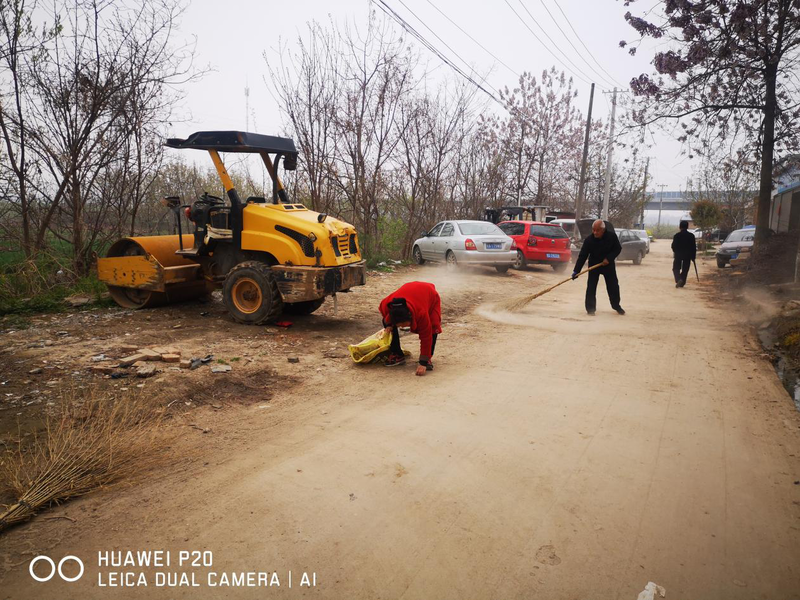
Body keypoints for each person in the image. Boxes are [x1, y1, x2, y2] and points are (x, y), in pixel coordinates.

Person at [379, 281, 442, 376]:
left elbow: (426, 337)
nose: (402, 327)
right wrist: (389, 325)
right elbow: (386, 317)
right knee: (387, 325)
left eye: (404, 324)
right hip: (410, 291)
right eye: (399, 325)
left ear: (411, 317)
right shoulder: (386, 305)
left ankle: (428, 358)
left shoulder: (421, 313)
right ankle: (397, 354)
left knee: (433, 326)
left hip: (429, 293)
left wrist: (423, 363)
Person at [572, 219, 625, 315]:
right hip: (594, 265)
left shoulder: (611, 237)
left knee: (613, 286)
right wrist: (576, 271)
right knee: (591, 287)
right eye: (593, 230)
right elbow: (583, 255)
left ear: (603, 230)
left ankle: (616, 306)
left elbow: (618, 248)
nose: (595, 232)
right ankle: (590, 309)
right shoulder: (589, 240)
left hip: (608, 265)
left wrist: (609, 258)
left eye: (597, 230)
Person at [671, 221, 697, 288]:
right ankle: (682, 282)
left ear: (680, 227)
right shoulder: (691, 236)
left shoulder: (677, 235)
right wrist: (693, 257)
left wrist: (675, 252)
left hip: (678, 255)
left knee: (675, 268)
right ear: (687, 227)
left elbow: (673, 246)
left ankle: (678, 279)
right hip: (687, 255)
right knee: (685, 269)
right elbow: (693, 247)